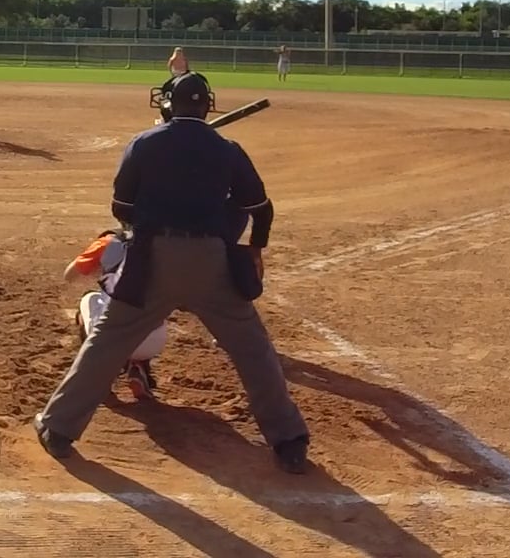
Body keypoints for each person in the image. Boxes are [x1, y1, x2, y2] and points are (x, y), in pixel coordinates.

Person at [33, 71, 311, 474]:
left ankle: (58, 429)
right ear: (206, 106)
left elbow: (122, 208)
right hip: (212, 262)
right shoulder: (226, 149)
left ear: (167, 104)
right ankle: (289, 442)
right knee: (253, 349)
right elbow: (260, 209)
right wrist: (255, 247)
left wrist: (155, 200)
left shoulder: (145, 143)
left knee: (108, 340)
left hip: (153, 260)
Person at [66, 227, 167, 401]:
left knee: (89, 299)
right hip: (155, 341)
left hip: (111, 340)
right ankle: (139, 366)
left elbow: (69, 276)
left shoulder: (108, 242)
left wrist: (103, 267)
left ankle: (100, 374)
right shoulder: (166, 244)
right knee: (147, 311)